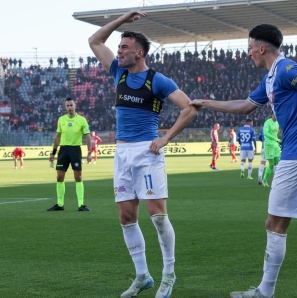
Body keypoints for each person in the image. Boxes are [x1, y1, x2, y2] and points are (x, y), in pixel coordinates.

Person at [191, 24, 297, 298]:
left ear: (261, 48)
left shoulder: (286, 69)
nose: (249, 54)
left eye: (250, 48)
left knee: (274, 225)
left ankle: (265, 292)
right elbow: (246, 106)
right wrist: (207, 102)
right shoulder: (271, 77)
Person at [89, 10, 198, 298]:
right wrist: (122, 21)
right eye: (119, 46)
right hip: (122, 153)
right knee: (126, 217)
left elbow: (189, 108)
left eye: (124, 47)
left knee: (158, 217)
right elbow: (95, 40)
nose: (119, 50)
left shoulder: (157, 80)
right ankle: (142, 276)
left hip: (148, 152)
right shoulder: (118, 72)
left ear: (139, 53)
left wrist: (166, 138)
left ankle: (168, 275)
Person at [47, 98, 92, 212]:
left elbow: (87, 136)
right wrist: (53, 152)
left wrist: (89, 152)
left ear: (75, 106)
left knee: (78, 177)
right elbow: (57, 137)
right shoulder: (61, 120)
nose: (69, 107)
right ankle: (60, 204)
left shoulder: (82, 120)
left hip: (75, 150)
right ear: (65, 107)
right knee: (59, 177)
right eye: (67, 105)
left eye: (71, 105)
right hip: (63, 151)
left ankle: (81, 204)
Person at [261, 112, 281, 188]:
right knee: (271, 164)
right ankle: (264, 180)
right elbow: (265, 133)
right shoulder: (268, 122)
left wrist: (278, 142)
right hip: (269, 145)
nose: (276, 116)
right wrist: (275, 139)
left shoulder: (277, 123)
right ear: (272, 115)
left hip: (275, 145)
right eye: (275, 115)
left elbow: (275, 134)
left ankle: (277, 181)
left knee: (278, 163)